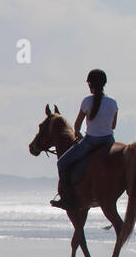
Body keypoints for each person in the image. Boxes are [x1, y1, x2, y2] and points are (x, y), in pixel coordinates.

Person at [50, 69, 118, 212]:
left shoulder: (87, 101)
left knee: (62, 163)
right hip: (109, 142)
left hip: (91, 142)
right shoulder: (113, 102)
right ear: (104, 84)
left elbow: (77, 125)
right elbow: (113, 125)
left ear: (90, 84)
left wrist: (78, 134)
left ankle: (66, 198)